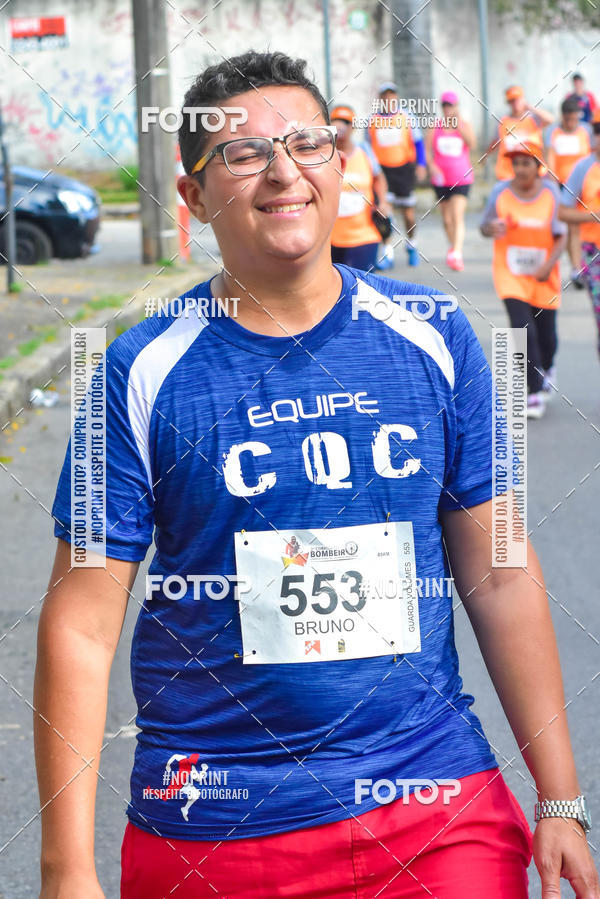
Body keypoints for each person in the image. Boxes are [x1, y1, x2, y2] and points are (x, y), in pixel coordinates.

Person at [36, 51, 600, 899]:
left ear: (340, 165)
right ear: (193, 196)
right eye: (244, 152)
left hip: (434, 805)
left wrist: (560, 798)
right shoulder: (136, 371)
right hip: (216, 821)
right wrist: (65, 869)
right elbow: (80, 622)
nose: (284, 171)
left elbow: (501, 571)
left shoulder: (440, 334)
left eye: (308, 143)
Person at [480, 137, 567, 419]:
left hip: (544, 275)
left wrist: (548, 265)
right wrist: (490, 228)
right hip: (510, 273)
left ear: (538, 166)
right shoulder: (500, 192)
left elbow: (562, 235)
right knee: (522, 329)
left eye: (525, 163)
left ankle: (547, 366)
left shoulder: (552, 193)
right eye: (515, 163)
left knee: (547, 337)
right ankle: (534, 390)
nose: (519, 169)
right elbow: (484, 225)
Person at [366, 81, 427, 267]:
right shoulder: (372, 119)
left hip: (403, 170)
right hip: (382, 172)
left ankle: (412, 245)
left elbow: (418, 142)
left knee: (408, 214)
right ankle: (387, 254)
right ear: (380, 98)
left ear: (396, 97)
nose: (388, 99)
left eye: (391, 95)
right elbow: (367, 147)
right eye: (385, 95)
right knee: (384, 212)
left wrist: (421, 164)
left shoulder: (407, 116)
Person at [559, 108, 600, 360]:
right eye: (597, 131)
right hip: (594, 252)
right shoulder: (583, 168)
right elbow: (563, 212)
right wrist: (593, 216)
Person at [329, 104, 390, 272]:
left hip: (364, 235)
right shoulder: (324, 154)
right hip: (330, 239)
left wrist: (383, 202)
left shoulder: (364, 151)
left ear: (353, 127)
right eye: (336, 122)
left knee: (363, 284)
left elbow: (379, 178)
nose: (340, 127)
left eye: (345, 122)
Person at [545, 97, 592, 287]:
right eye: (568, 119)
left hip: (587, 187)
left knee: (585, 227)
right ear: (562, 117)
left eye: (575, 119)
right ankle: (576, 268)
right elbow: (549, 161)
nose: (572, 123)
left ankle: (583, 264)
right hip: (563, 187)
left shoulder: (586, 131)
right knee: (571, 227)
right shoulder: (553, 132)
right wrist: (553, 187)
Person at [426, 90, 475, 271]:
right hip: (441, 179)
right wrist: (431, 166)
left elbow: (472, 143)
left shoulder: (464, 125)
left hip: (461, 178)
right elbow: (427, 150)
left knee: (457, 215)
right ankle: (453, 247)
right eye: (445, 105)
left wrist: (458, 124)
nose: (447, 108)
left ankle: (457, 253)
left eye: (451, 105)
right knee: (447, 219)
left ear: (456, 107)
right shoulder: (435, 127)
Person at [485, 85, 553, 182]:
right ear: (508, 103)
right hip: (508, 173)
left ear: (523, 100)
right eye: (512, 101)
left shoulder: (533, 119)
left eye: (518, 100)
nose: (515, 104)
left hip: (533, 172)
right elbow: (496, 141)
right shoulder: (503, 121)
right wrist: (486, 155)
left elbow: (550, 119)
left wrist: (530, 108)